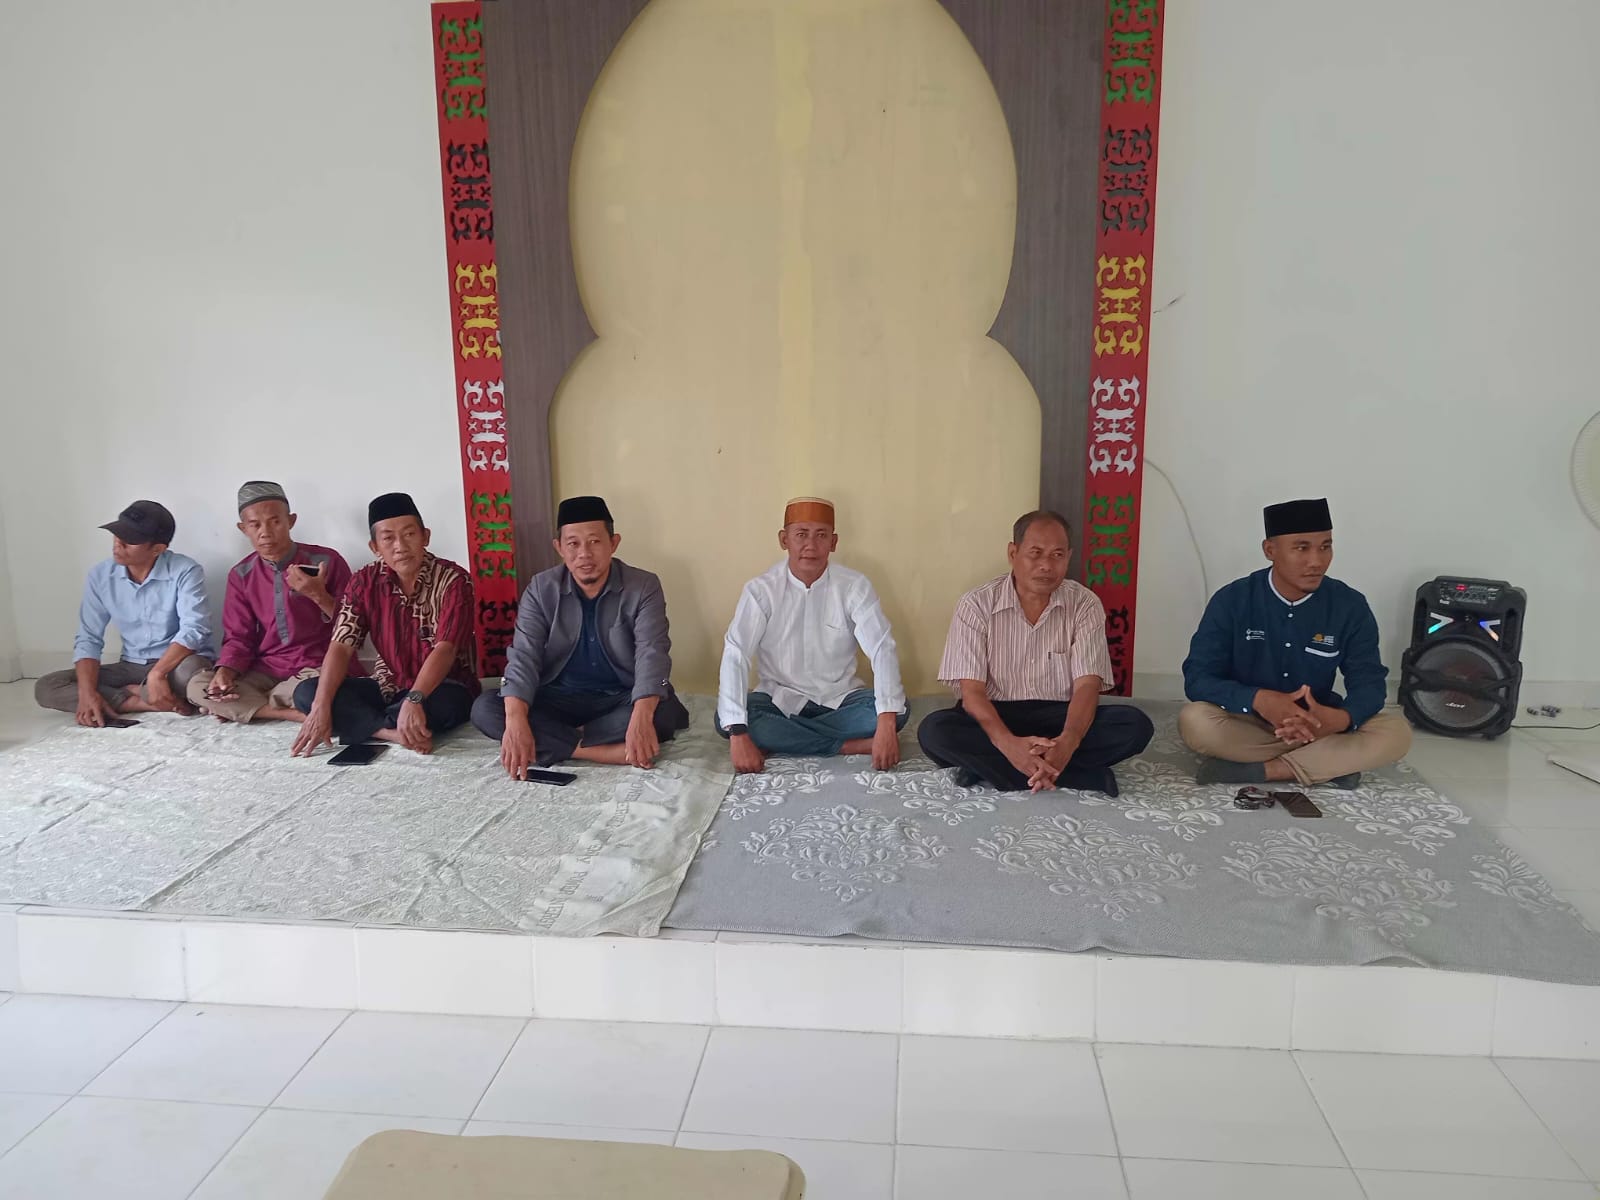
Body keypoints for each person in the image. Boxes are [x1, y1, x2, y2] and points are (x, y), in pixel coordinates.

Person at [1178, 497, 1411, 788]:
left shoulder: (1349, 605)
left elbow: (1369, 682)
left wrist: (1339, 720)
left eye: (1325, 547)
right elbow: (1198, 678)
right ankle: (1327, 764)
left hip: (1318, 725)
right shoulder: (1233, 600)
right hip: (1249, 722)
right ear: (1270, 550)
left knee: (1396, 732)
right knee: (1195, 721)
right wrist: (1260, 700)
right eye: (1302, 548)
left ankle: (1268, 770)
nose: (1316, 561)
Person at [918, 510, 1153, 794]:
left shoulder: (1084, 604)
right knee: (934, 731)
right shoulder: (976, 604)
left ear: (1069, 557)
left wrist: (1068, 742)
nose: (1046, 565)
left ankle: (990, 770)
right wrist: (1009, 744)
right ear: (1013, 553)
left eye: (1057, 555)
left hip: (1059, 716)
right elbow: (972, 693)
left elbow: (1087, 686)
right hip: (997, 713)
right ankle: (1079, 775)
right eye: (1036, 553)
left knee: (1135, 725)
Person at [471, 495, 690, 775]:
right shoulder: (541, 588)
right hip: (557, 696)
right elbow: (523, 656)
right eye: (573, 543)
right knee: (486, 708)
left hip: (618, 696)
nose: (584, 553)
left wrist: (641, 715)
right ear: (559, 547)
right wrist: (515, 720)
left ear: (613, 543)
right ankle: (598, 751)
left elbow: (652, 653)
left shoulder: (643, 586)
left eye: (595, 541)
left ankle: (557, 740)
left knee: (661, 712)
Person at [716, 496, 907, 774]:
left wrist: (887, 724)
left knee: (897, 711)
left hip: (840, 700)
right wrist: (737, 732)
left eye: (821, 535)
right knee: (729, 718)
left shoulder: (854, 586)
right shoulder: (761, 591)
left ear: (834, 542)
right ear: (784, 540)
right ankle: (848, 746)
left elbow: (882, 648)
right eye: (801, 534)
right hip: (779, 701)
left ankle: (785, 739)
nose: (811, 545)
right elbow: (736, 653)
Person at [291, 492, 478, 756]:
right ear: (375, 547)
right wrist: (321, 705)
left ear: (425, 536)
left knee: (448, 706)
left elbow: (445, 649)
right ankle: (390, 731)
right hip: (388, 686)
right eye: (388, 538)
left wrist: (414, 699)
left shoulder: (454, 580)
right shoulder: (364, 582)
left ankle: (371, 722)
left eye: (409, 534)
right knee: (307, 693)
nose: (400, 546)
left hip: (442, 687)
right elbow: (341, 645)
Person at [187, 481, 356, 724]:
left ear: (291, 521)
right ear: (243, 528)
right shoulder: (241, 574)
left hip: (318, 665)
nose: (265, 532)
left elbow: (356, 627)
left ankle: (247, 707)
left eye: (275, 521)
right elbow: (239, 637)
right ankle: (286, 711)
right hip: (268, 668)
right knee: (198, 685)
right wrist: (225, 672)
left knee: (315, 690)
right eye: (255, 524)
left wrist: (318, 595)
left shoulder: (327, 561)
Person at [35, 501, 215, 725]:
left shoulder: (185, 570)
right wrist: (87, 692)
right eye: (117, 534)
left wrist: (157, 673)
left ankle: (135, 693)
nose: (118, 543)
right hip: (130, 665)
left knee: (197, 677)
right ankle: (139, 701)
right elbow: (89, 638)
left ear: (158, 549)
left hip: (176, 665)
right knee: (47, 687)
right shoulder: (101, 575)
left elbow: (195, 629)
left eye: (130, 539)